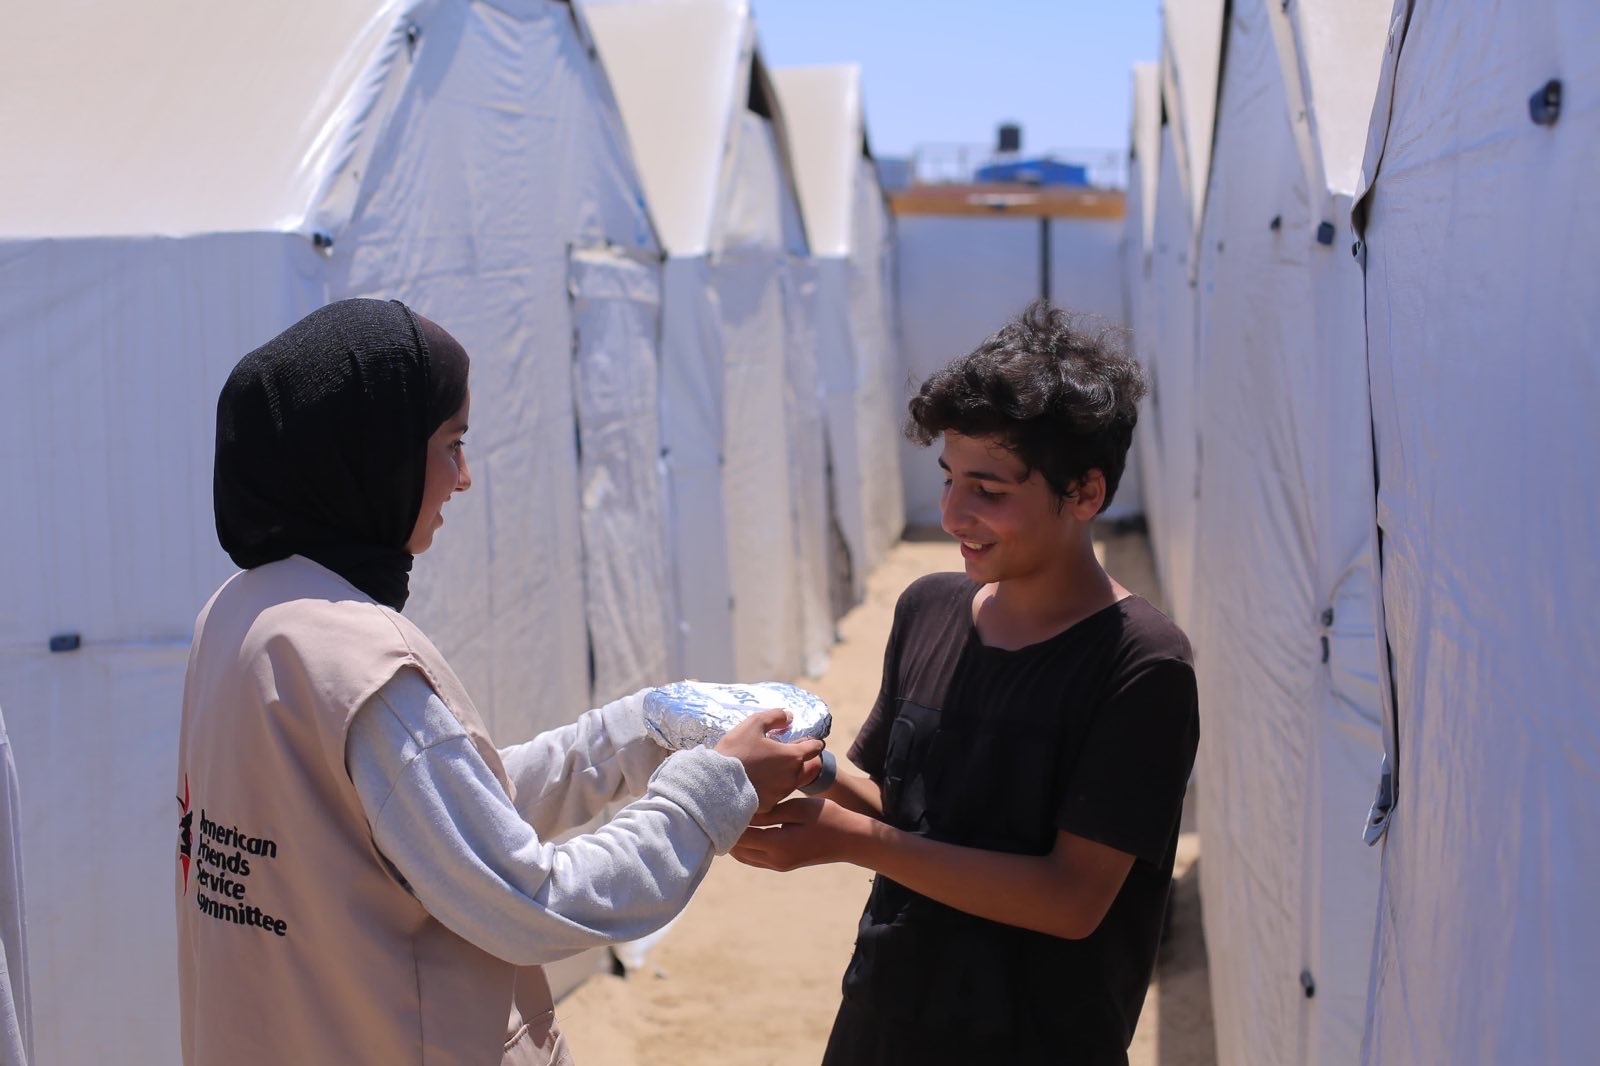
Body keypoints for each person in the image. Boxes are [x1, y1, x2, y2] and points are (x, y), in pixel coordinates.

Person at [176, 298, 822, 1066]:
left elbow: (430, 822)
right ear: (372, 452)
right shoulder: (363, 664)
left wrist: (635, 730)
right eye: (450, 444)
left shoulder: (244, 616)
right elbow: (529, 901)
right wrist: (710, 793)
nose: (464, 478)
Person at [732, 301, 1199, 1065]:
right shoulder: (929, 610)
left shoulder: (1142, 665)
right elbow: (909, 814)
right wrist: (797, 762)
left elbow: (1070, 899)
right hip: (885, 1017)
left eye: (989, 489)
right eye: (949, 479)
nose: (953, 514)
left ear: (1084, 494)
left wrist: (855, 843)